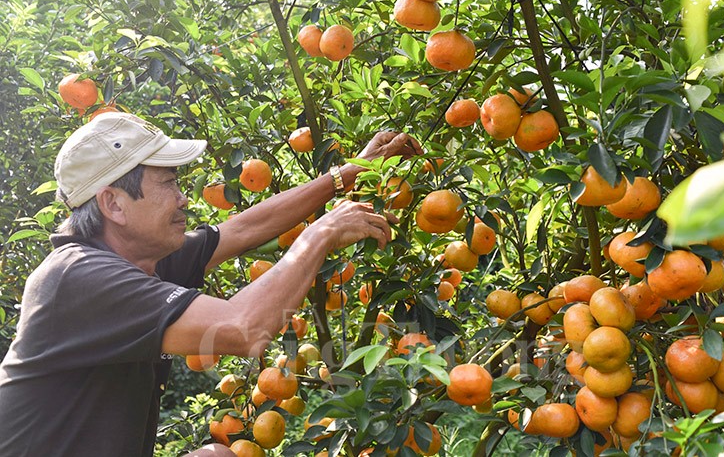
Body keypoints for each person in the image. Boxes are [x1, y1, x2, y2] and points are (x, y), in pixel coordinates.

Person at [0, 112, 422, 457]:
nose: (184, 197)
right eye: (167, 183)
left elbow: (241, 230)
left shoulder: (138, 258)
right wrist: (320, 234)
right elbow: (243, 330)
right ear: (113, 203)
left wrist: (347, 174)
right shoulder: (80, 278)